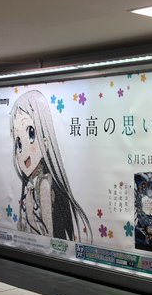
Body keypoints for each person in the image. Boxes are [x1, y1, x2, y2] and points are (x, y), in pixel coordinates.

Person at [10, 90, 91, 242]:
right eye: (19, 143)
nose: (24, 151)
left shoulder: (44, 184)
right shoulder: (30, 186)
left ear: (45, 141)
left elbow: (48, 235)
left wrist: (29, 212)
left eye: (31, 134)